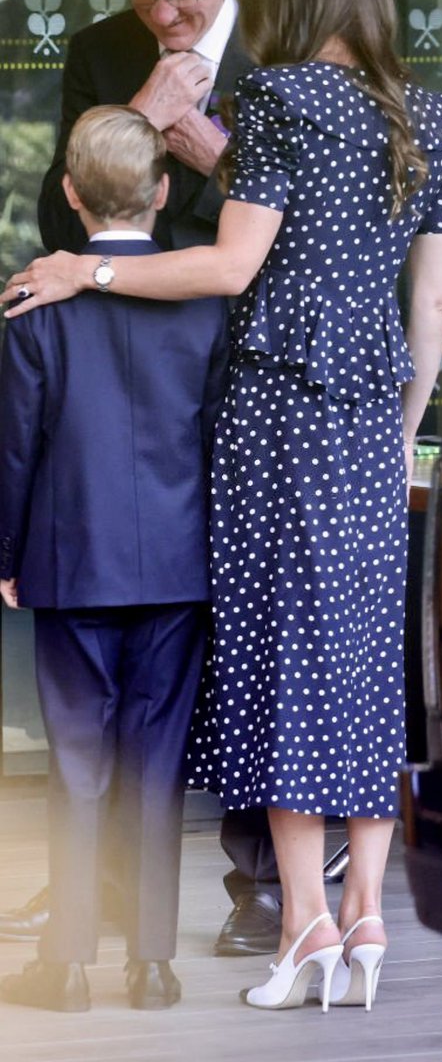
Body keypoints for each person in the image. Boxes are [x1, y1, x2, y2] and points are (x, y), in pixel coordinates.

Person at [3, 0, 442, 1014]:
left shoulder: (278, 98)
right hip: (369, 419)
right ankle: (363, 913)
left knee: (277, 659)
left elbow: (230, 264)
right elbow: (438, 305)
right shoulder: (436, 123)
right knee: (362, 659)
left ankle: (303, 918)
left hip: (276, 411)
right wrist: (402, 416)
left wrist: (87, 273)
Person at [0, 0, 285, 960]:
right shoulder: (105, 46)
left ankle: (83, 952)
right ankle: (150, 960)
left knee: (91, 747)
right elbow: (55, 204)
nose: (161, 17)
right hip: (168, 531)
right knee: (156, 749)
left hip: (214, 386)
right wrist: (135, 105)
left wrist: (186, 132)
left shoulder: (287, 50)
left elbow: (292, 227)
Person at [0, 105, 230, 1012]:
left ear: (68, 195)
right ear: (165, 191)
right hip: (179, 566)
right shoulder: (207, 300)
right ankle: (152, 963)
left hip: (71, 561)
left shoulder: (32, 306)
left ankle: (63, 965)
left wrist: (6, 552)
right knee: (155, 763)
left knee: (79, 763)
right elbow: (217, 443)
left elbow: (15, 448)